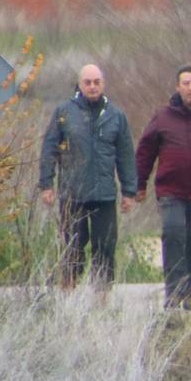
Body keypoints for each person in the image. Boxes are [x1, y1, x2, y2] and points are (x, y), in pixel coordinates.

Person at [134, 64, 191, 309]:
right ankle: (174, 292)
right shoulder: (163, 116)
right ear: (178, 87)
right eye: (186, 83)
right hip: (171, 190)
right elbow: (146, 150)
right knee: (173, 232)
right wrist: (139, 183)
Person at [38, 63, 137, 288]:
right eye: (88, 82)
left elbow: (125, 155)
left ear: (103, 84)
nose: (92, 87)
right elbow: (49, 149)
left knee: (106, 246)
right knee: (73, 245)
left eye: (96, 82)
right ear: (80, 85)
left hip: (104, 194)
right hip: (72, 193)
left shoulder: (115, 116)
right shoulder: (63, 112)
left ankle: (101, 295)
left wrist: (129, 191)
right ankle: (69, 290)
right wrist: (46, 184)